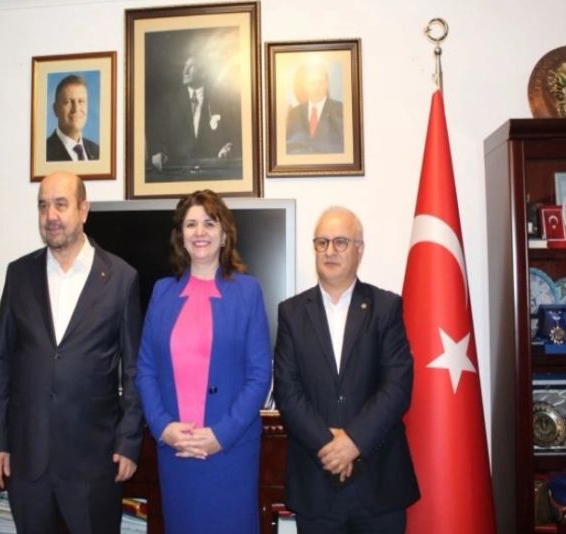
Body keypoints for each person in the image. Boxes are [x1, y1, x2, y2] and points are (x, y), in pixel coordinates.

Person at [0, 171, 143, 533]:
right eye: (42, 206)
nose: (50, 216)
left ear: (83, 210)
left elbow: (134, 370)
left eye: (60, 204)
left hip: (95, 462)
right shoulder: (18, 275)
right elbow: (0, 364)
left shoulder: (121, 278)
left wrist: (129, 441)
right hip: (29, 461)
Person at [273, 207, 419, 533]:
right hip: (316, 481)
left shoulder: (386, 308)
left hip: (379, 483)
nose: (330, 251)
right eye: (322, 242)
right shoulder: (291, 313)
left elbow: (397, 386)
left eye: (340, 242)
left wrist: (354, 441)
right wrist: (330, 446)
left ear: (359, 249)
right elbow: (287, 391)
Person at [135, 189, 272, 533]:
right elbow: (146, 369)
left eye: (209, 223)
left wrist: (221, 435)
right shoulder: (162, 292)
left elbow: (259, 375)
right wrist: (163, 427)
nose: (200, 232)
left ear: (224, 234)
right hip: (176, 452)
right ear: (180, 236)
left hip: (230, 451)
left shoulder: (248, 291)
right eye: (191, 224)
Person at [149, 55, 239, 173]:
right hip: (177, 171)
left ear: (203, 73)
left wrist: (227, 147)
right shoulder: (170, 102)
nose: (185, 71)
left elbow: (232, 134)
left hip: (212, 169)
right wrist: (158, 152)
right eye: (185, 66)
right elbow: (158, 133)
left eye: (191, 66)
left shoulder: (220, 100)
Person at [285, 60, 345, 154]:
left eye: (320, 82)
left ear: (327, 84)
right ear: (305, 85)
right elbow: (288, 148)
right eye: (312, 83)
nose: (317, 88)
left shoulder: (340, 110)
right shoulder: (294, 113)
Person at [46, 75, 100, 161]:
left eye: (81, 101)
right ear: (55, 109)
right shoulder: (44, 153)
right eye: (68, 102)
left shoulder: (97, 151)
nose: (76, 109)